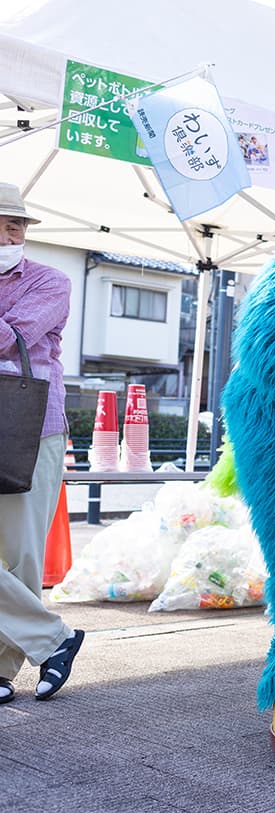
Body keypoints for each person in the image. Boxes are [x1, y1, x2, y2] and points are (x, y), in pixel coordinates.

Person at [0, 182, 85, 704]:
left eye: (17, 225)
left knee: (20, 555)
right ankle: (54, 640)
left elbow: (10, 338)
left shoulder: (50, 281)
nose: (11, 234)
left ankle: (1, 670)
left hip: (29, 426)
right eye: (3, 224)